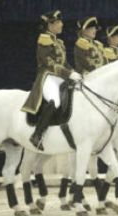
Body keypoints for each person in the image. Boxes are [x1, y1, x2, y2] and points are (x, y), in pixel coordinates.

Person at [21, 10, 81, 151]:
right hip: (48, 77)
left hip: (60, 77)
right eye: (59, 22)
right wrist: (68, 74)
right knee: (55, 101)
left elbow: (64, 63)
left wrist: (74, 72)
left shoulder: (58, 41)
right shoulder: (44, 39)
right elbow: (49, 64)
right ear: (50, 24)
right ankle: (37, 135)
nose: (62, 24)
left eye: (61, 22)